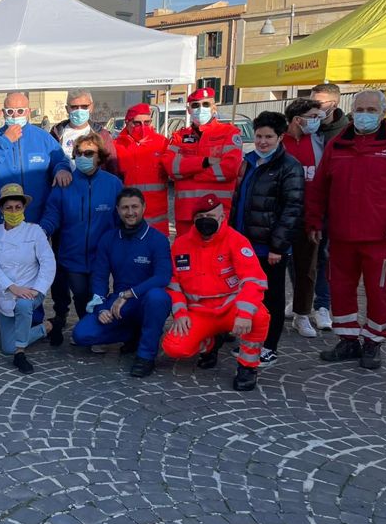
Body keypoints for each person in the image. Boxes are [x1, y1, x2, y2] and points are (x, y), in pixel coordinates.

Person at [306, 90, 386, 369]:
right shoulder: (339, 143)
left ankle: (372, 343)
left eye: (371, 109)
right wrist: (314, 221)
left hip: (380, 237)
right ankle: (348, 340)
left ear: (383, 112)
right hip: (342, 235)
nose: (364, 114)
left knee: (379, 291)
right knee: (340, 289)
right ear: (351, 110)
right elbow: (320, 187)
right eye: (360, 109)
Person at [161, 194, 270, 392]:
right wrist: (180, 313)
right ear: (194, 219)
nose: (206, 220)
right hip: (199, 312)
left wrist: (245, 314)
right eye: (201, 215)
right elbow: (174, 283)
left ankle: (247, 367)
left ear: (222, 217)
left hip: (231, 309)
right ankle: (211, 344)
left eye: (211, 215)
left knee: (259, 316)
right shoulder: (181, 245)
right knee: (174, 347)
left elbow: (254, 280)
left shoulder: (237, 241)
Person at [228, 112, 305, 365]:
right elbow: (239, 200)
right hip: (244, 244)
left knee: (271, 298)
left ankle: (269, 346)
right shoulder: (249, 161)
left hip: (269, 248)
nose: (262, 142)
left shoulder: (289, 166)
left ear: (280, 137)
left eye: (268, 137)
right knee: (247, 295)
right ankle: (250, 341)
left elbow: (292, 209)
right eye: (259, 136)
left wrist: (278, 247)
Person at [71, 188, 172, 377]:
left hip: (145, 301)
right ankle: (134, 333)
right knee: (81, 334)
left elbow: (162, 277)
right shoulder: (109, 238)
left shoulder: (158, 240)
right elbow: (100, 276)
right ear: (117, 210)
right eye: (125, 208)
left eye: (135, 206)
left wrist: (129, 294)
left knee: (158, 297)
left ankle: (145, 355)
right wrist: (100, 307)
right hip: (118, 304)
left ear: (144, 208)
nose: (130, 212)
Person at [40, 132, 123, 346]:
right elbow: (52, 214)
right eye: (79, 153)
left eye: (89, 153)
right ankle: (90, 328)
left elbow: (122, 216)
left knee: (98, 293)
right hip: (72, 254)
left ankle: (93, 332)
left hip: (101, 256)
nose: (84, 157)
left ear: (100, 156)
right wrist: (41, 232)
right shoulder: (65, 183)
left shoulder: (113, 184)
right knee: (80, 294)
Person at [0, 184, 56, 374]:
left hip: (32, 290)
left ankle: (20, 354)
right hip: (7, 293)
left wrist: (37, 289)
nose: (14, 211)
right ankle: (47, 327)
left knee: (24, 305)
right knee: (6, 347)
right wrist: (11, 287)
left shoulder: (35, 231)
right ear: (1, 209)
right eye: (9, 208)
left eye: (18, 207)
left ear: (24, 208)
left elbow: (48, 262)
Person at [0, 91, 72, 226]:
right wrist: (5, 140)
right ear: (3, 112)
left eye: (20, 111)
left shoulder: (43, 137)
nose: (15, 115)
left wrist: (61, 169)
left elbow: (60, 160)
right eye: (10, 111)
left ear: (28, 112)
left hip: (36, 220)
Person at [163, 87, 242, 236]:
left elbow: (230, 169)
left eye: (206, 104)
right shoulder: (179, 136)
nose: (201, 109)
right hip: (186, 214)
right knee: (185, 257)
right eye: (195, 105)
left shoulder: (229, 133)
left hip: (218, 213)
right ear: (189, 110)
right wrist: (205, 162)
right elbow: (170, 167)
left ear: (214, 107)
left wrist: (191, 173)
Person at [304, 82, 350, 332]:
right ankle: (303, 300)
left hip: (334, 207)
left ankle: (323, 305)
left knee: (325, 256)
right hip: (307, 203)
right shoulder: (308, 128)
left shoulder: (345, 133)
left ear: (334, 104)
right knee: (300, 256)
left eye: (319, 104)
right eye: (312, 103)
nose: (315, 109)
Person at [282, 98, 328, 337]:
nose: (317, 121)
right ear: (298, 119)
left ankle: (302, 315)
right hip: (279, 220)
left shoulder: (320, 143)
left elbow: (321, 185)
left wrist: (316, 220)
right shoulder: (279, 143)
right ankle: (268, 312)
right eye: (313, 117)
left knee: (307, 270)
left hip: (308, 218)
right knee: (274, 268)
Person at [114, 103, 170, 234]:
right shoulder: (116, 146)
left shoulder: (163, 143)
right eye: (137, 123)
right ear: (127, 123)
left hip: (157, 220)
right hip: (128, 218)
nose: (143, 127)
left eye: (147, 122)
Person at [50, 88, 118, 174]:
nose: (79, 110)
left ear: (91, 107)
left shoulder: (101, 134)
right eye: (74, 107)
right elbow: (49, 163)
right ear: (67, 109)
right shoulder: (56, 133)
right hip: (64, 186)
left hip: (94, 185)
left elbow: (112, 165)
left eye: (84, 106)